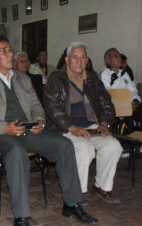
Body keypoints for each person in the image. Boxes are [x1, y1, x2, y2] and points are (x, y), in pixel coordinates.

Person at [0, 37, 97, 226]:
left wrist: (39, 121)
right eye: (3, 51)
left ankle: (72, 204)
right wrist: (5, 127)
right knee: (17, 153)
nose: (10, 54)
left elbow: (37, 107)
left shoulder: (23, 79)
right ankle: (21, 218)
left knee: (64, 145)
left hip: (26, 130)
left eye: (10, 50)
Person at [44, 42, 123, 204]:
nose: (80, 61)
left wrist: (104, 123)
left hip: (91, 126)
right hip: (65, 128)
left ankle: (102, 187)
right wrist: (71, 127)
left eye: (83, 57)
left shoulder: (92, 78)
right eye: (75, 57)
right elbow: (52, 107)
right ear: (67, 59)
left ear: (87, 60)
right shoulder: (56, 78)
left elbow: (107, 103)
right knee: (84, 149)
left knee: (113, 146)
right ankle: (76, 194)